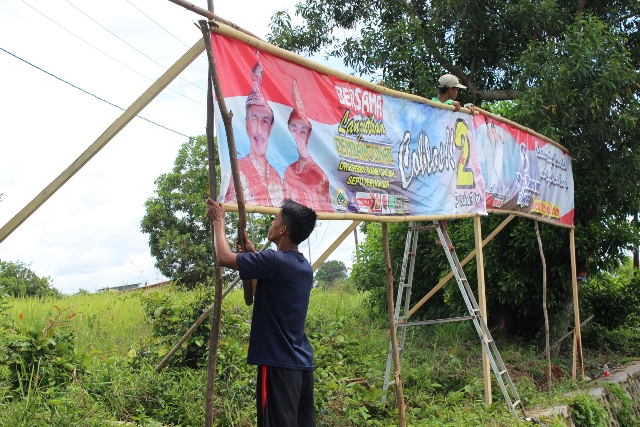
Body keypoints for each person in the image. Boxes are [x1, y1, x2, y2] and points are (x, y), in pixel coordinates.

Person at [206, 198, 317, 427]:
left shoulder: (274, 261)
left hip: (278, 363)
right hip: (301, 364)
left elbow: (223, 258)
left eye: (275, 219)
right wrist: (252, 253)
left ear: (283, 229)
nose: (272, 223)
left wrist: (219, 221)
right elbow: (260, 290)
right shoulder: (304, 267)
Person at [225, 55, 284, 207]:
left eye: (264, 121)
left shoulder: (276, 177)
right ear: (246, 125)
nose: (259, 129)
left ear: (271, 127)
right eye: (254, 119)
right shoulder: (237, 170)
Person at [283, 79, 333, 211]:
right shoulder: (288, 170)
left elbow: (328, 210)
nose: (297, 136)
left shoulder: (319, 174)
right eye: (294, 130)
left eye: (302, 131)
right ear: (288, 130)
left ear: (308, 135)